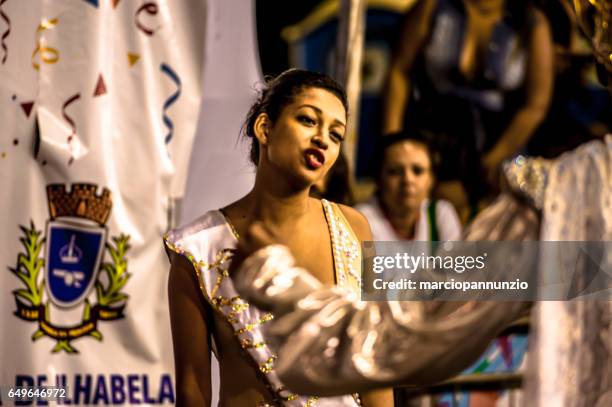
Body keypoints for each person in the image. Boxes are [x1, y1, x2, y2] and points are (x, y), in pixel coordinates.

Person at [164, 69, 393, 406]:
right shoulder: (198, 249)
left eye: (336, 133)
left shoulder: (354, 228)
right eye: (307, 120)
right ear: (265, 128)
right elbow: (192, 391)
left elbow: (373, 368)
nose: (322, 139)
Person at [382, 0, 554, 219]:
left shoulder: (531, 21)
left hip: (500, 146)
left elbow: (535, 105)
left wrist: (494, 159)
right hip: (434, 136)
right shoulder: (434, 6)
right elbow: (399, 71)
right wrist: (391, 143)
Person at [356, 131, 461, 243]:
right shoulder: (361, 220)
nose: (408, 180)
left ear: (432, 179)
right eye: (394, 172)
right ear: (378, 179)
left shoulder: (440, 215)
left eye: (417, 171)